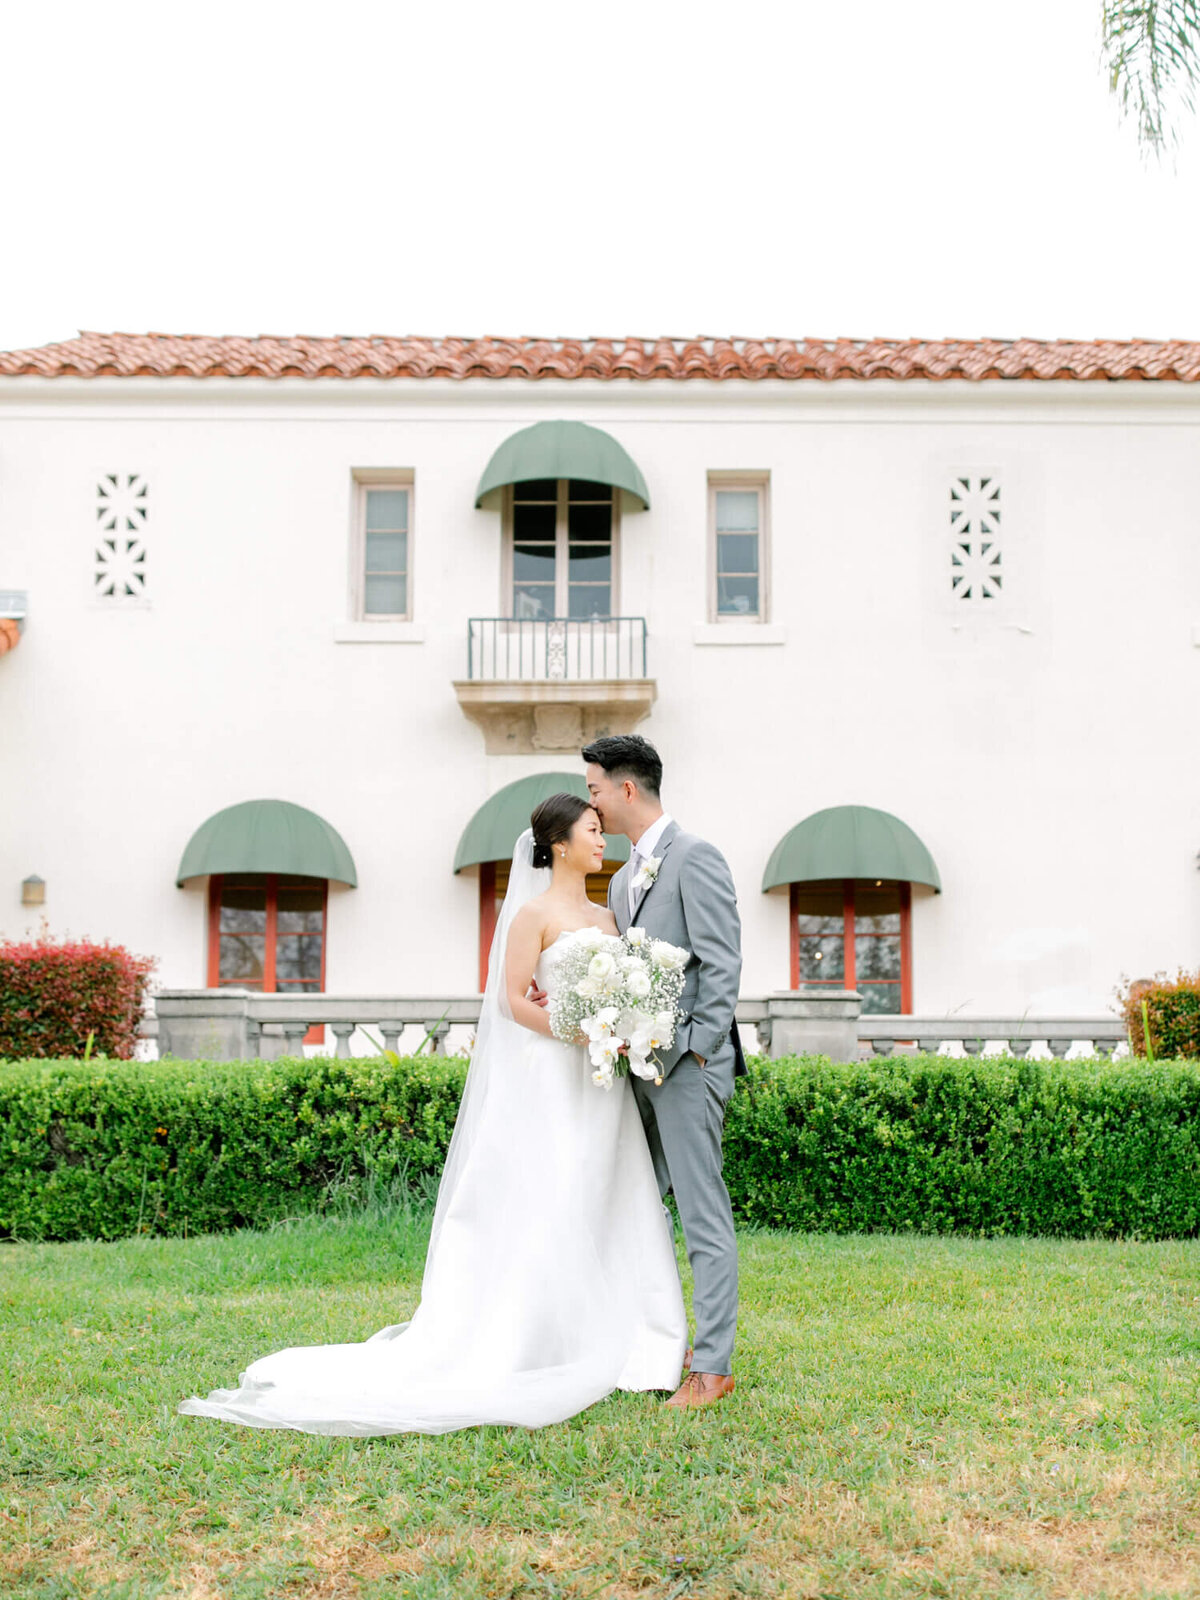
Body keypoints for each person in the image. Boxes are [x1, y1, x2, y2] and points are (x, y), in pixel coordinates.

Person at [178, 794, 686, 1435]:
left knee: (608, 1188)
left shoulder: (608, 914)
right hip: (554, 1074)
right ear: (559, 843)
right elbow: (509, 1004)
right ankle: (540, 1339)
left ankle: (636, 1336)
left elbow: (619, 985)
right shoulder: (531, 914)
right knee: (552, 1189)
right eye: (591, 830)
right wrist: (577, 1028)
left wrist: (622, 1026)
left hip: (599, 1082)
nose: (601, 840)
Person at [583, 735, 743, 1409]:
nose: (590, 801)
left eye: (593, 788)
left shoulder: (696, 857)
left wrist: (695, 1050)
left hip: (688, 1069)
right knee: (640, 1211)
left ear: (626, 789)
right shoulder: (621, 881)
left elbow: (721, 964)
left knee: (703, 1213)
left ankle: (713, 1367)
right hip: (636, 1072)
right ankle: (648, 1344)